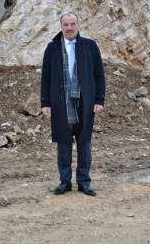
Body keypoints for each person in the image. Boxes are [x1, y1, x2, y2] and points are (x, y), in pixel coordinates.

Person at [40, 12, 105, 196]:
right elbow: (46, 77)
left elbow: (99, 74)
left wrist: (100, 100)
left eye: (73, 24)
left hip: (85, 102)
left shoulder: (90, 46)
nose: (69, 28)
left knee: (84, 143)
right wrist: (45, 102)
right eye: (66, 24)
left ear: (78, 25)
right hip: (60, 102)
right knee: (64, 143)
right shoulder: (52, 48)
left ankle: (84, 182)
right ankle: (65, 182)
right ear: (61, 27)